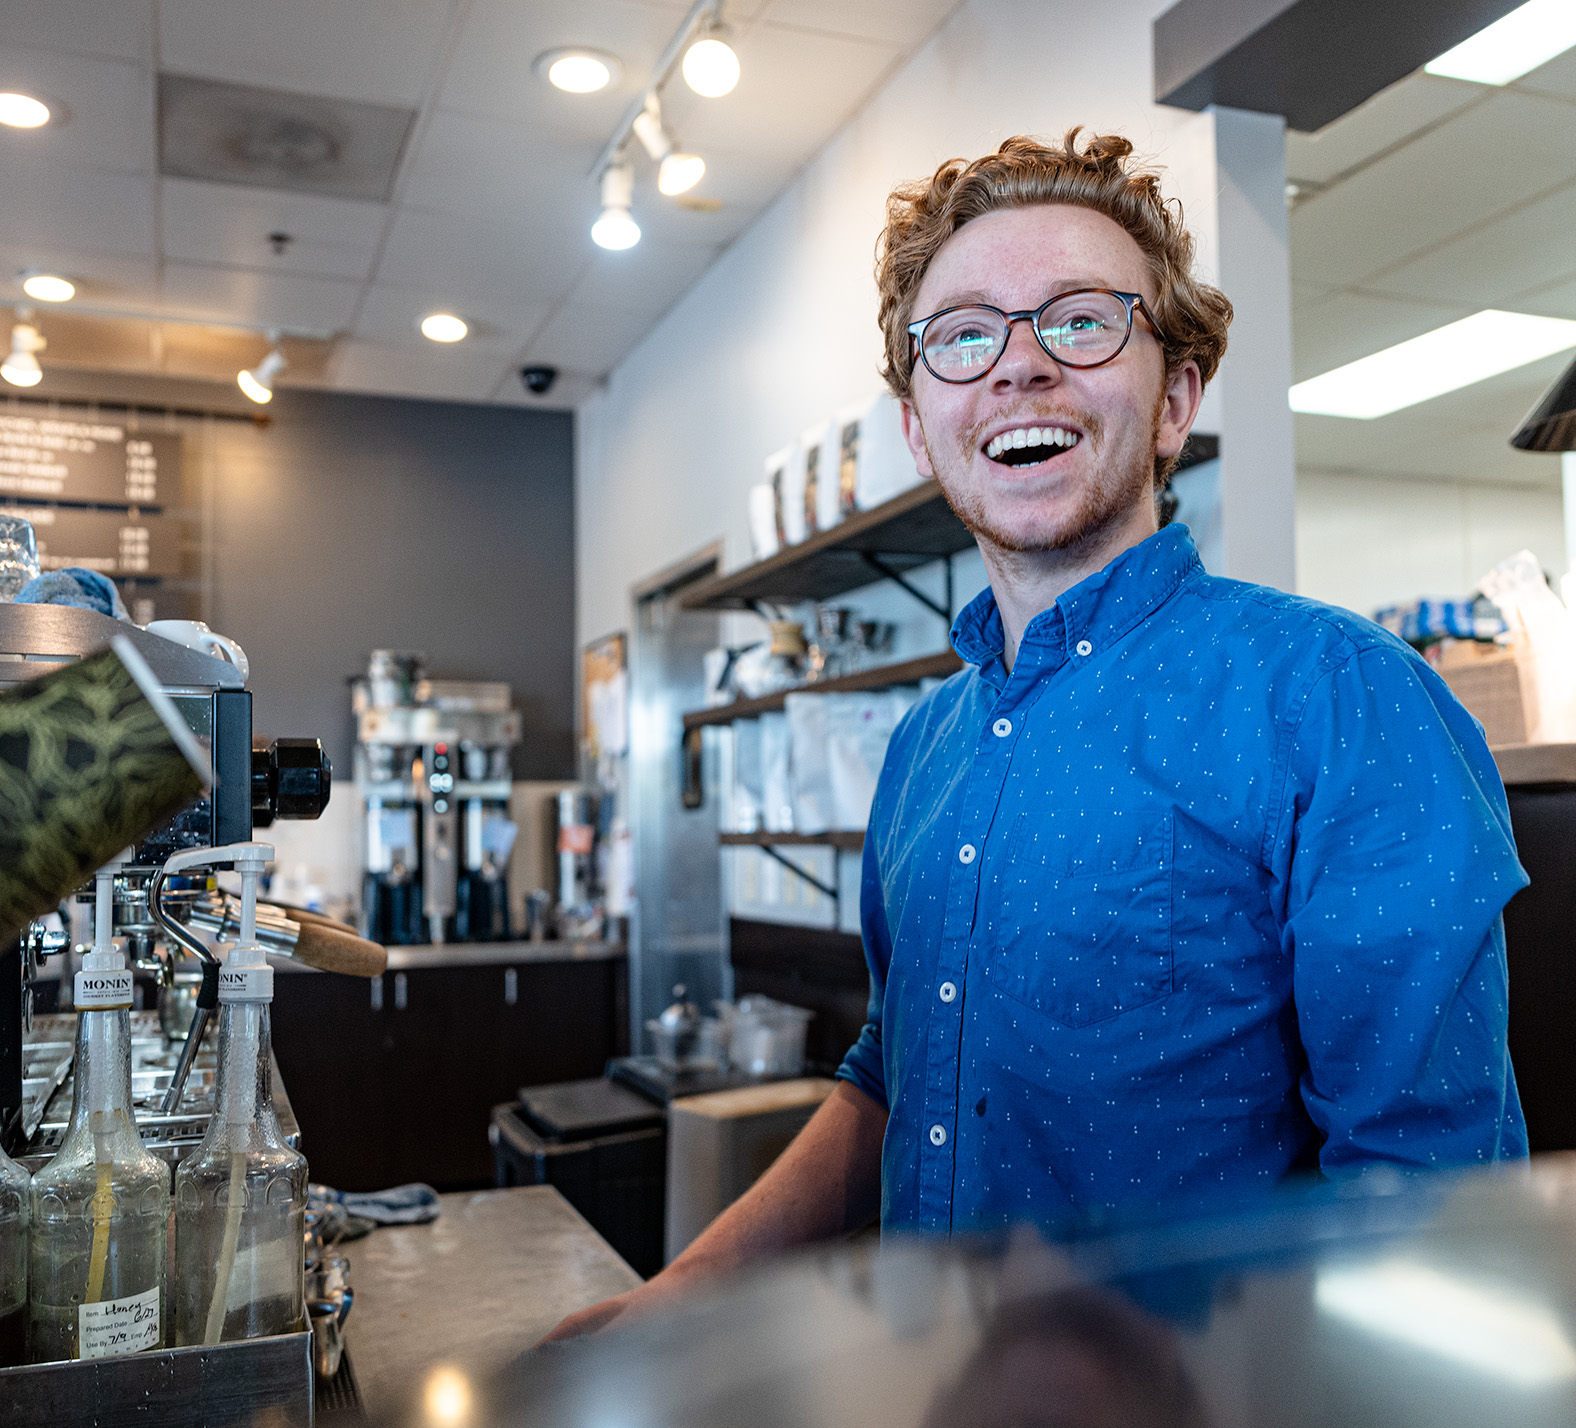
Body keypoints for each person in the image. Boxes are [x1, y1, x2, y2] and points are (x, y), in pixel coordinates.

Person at [546, 128, 1526, 1342]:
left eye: (1078, 320)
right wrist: (675, 1298)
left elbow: (1426, 1200)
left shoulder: (1335, 697)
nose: (1016, 368)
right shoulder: (921, 748)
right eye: (962, 336)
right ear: (919, 428)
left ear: (1173, 399)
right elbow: (890, 1075)